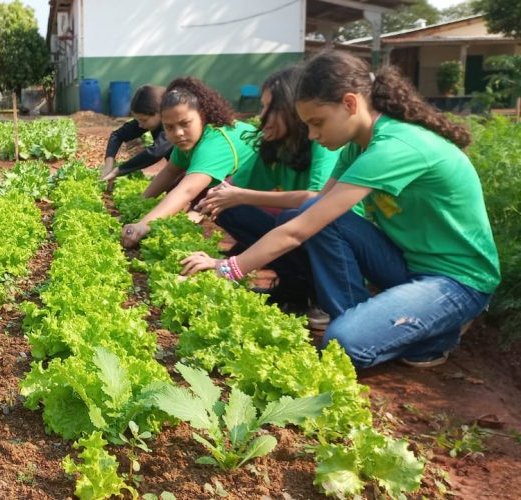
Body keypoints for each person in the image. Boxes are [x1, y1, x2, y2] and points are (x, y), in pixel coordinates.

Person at [180, 51, 500, 369]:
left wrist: (227, 268)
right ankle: (363, 318)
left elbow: (298, 233)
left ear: (350, 103)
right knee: (309, 215)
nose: (313, 135)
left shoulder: (394, 147)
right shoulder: (357, 147)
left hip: (457, 281)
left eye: (317, 123)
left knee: (344, 346)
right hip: (406, 265)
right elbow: (312, 213)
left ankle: (438, 332)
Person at [195, 67, 349, 317]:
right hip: (297, 231)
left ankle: (320, 297)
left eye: (269, 108)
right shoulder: (275, 145)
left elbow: (318, 200)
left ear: (292, 108)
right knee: (229, 209)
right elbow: (231, 188)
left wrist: (243, 196)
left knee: (294, 213)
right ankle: (295, 290)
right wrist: (196, 212)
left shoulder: (323, 143)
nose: (261, 116)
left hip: (333, 240)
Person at [121, 77, 259, 248]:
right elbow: (170, 171)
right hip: (243, 184)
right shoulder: (188, 140)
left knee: (221, 204)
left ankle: (255, 247)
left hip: (273, 191)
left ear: (202, 116)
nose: (178, 133)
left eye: (185, 123)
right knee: (181, 184)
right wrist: (139, 203)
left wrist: (143, 225)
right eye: (169, 127)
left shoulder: (214, 143)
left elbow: (187, 191)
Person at [99, 84, 173, 181]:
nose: (140, 125)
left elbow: (155, 152)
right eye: (138, 120)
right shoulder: (149, 121)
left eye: (144, 120)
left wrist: (118, 170)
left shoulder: (172, 125)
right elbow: (117, 135)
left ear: (160, 112)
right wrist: (109, 163)